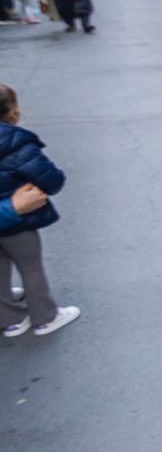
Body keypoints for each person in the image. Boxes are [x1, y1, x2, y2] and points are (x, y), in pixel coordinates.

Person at [0, 84, 79, 337]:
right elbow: (50, 179)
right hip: (19, 221)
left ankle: (10, 319)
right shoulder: (16, 143)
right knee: (30, 266)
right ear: (13, 112)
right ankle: (44, 317)